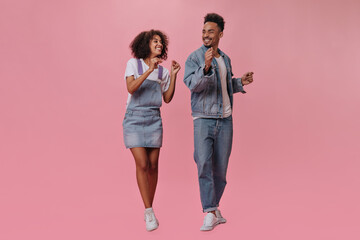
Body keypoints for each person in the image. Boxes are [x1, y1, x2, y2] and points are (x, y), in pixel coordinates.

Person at [183, 13, 254, 231]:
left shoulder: (226, 59)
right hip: (203, 119)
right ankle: (209, 211)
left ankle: (215, 209)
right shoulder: (195, 58)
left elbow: (224, 86)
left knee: (220, 170)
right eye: (204, 31)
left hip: (225, 120)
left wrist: (240, 82)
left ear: (220, 34)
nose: (206, 35)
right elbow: (193, 85)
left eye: (211, 31)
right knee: (203, 164)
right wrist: (205, 68)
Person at [123, 30, 181, 231]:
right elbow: (131, 88)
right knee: (143, 163)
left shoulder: (163, 72)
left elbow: (167, 98)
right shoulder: (134, 64)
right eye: (155, 41)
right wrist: (148, 70)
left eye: (160, 42)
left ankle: (150, 207)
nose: (159, 44)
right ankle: (149, 211)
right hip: (135, 119)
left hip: (154, 119)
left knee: (154, 165)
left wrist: (172, 76)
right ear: (145, 44)